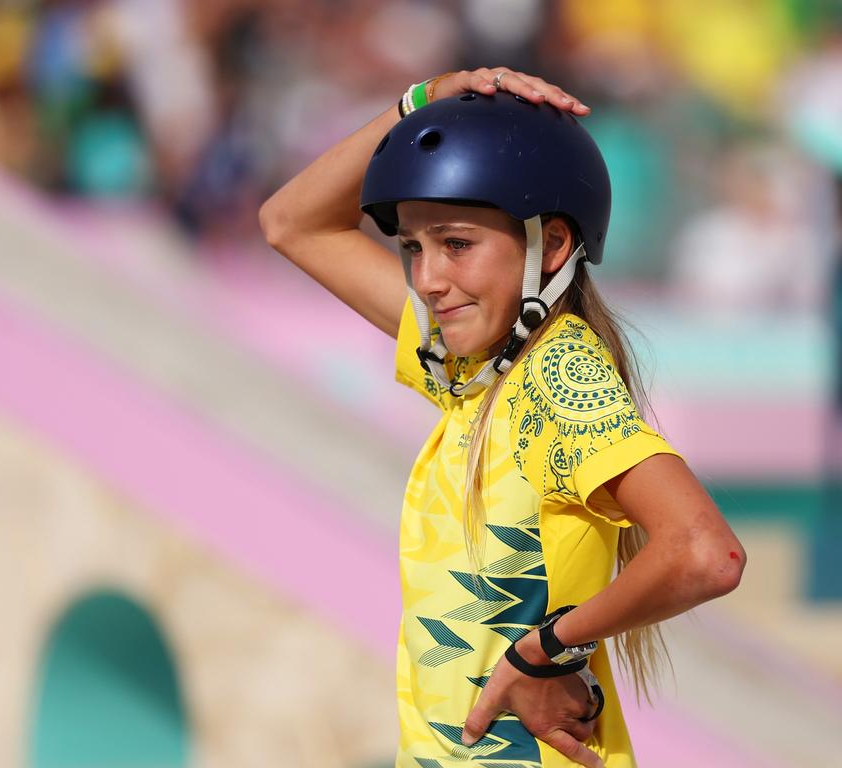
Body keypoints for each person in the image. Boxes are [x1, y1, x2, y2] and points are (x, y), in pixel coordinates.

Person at [259, 67, 745, 768]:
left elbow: (706, 552)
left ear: (549, 246)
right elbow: (291, 223)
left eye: (456, 244)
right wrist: (423, 100)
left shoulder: (557, 375)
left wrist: (545, 652)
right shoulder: (475, 367)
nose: (427, 278)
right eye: (413, 248)